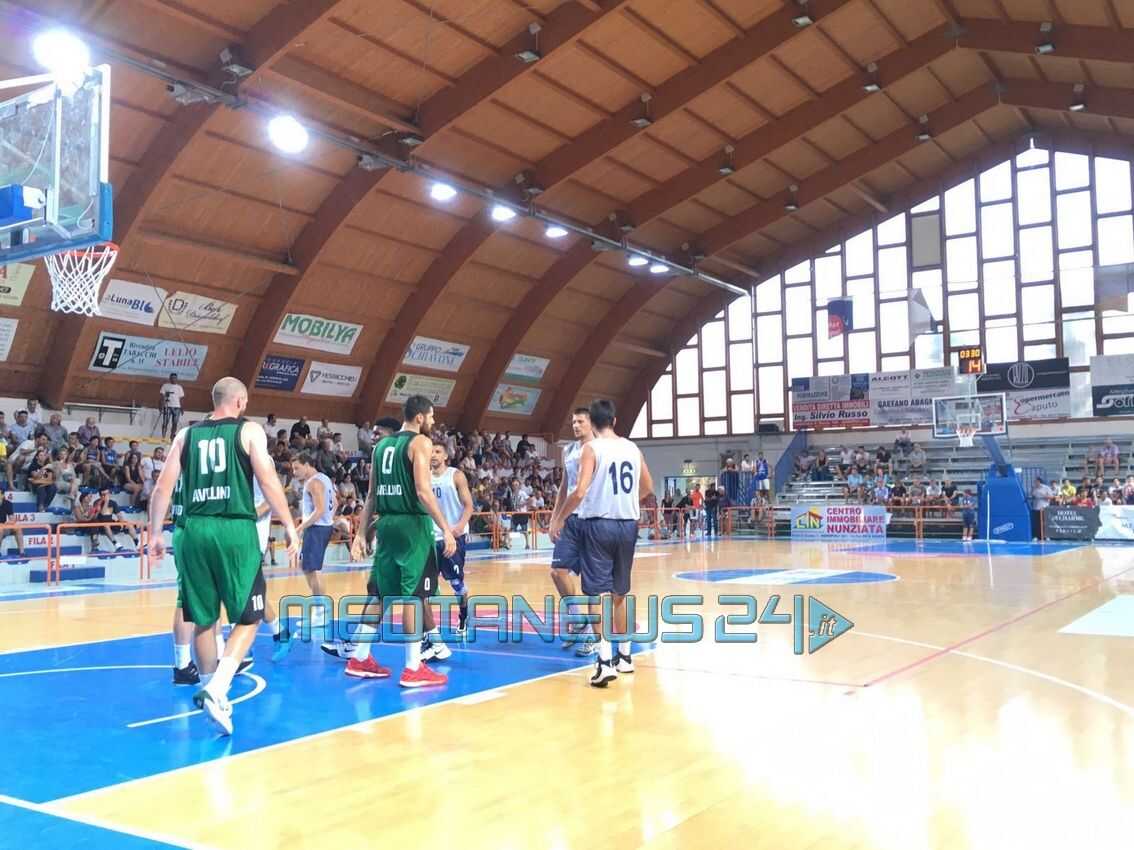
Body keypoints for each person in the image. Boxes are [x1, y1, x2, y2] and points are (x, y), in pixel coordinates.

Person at [148, 377, 300, 735]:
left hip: (191, 530)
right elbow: (268, 481)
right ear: (241, 401)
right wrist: (290, 526)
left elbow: (162, 488)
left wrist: (154, 532)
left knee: (203, 618)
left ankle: (209, 693)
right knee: (250, 616)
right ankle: (217, 689)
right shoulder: (249, 431)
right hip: (233, 529)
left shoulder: (186, 435)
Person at [344, 396, 456, 688]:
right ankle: (413, 667)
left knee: (381, 593)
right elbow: (422, 490)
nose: (433, 421)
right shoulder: (420, 442)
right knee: (414, 595)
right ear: (420, 417)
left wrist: (360, 534)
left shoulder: (381, 446)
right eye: (431, 416)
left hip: (386, 523)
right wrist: (446, 528)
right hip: (412, 526)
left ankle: (359, 657)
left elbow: (370, 495)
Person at [550, 399, 653, 688]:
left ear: (592, 423)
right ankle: (625, 656)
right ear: (615, 421)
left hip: (599, 524)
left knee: (597, 594)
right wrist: (625, 501)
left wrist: (560, 518)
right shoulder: (631, 447)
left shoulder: (591, 448)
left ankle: (605, 661)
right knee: (620, 592)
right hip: (628, 524)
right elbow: (648, 486)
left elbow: (580, 491)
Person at [420, 441, 474, 661]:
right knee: (424, 587)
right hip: (430, 537)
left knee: (456, 584)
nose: (433, 455)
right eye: (431, 452)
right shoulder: (423, 477)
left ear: (445, 456)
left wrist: (459, 527)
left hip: (453, 537)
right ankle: (428, 635)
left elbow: (469, 505)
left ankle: (463, 615)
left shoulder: (456, 476)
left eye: (438, 451)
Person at [549, 408, 597, 656]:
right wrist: (555, 517)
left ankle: (595, 636)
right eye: (573, 421)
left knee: (592, 583)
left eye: (580, 421)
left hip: (593, 518)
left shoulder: (599, 447)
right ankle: (578, 620)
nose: (576, 425)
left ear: (591, 423)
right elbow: (565, 486)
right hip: (570, 518)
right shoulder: (568, 450)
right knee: (557, 572)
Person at [290, 453, 337, 627]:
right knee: (308, 567)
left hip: (316, 529)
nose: (294, 472)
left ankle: (320, 613)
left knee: (313, 570)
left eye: (297, 468)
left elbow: (319, 510)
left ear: (307, 464)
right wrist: (329, 520)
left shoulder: (313, 482)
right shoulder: (324, 478)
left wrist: (300, 528)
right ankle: (321, 610)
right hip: (322, 527)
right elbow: (335, 503)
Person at [159, 373, 185, 440]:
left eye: (175, 378)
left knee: (175, 423)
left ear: (177, 379)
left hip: (177, 407)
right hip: (167, 406)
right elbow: (162, 397)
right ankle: (163, 437)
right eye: (172, 378)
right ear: (169, 378)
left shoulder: (179, 387)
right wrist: (161, 406)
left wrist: (182, 408)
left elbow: (181, 399)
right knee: (165, 422)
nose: (173, 379)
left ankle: (172, 436)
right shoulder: (165, 386)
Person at [0, 490, 24, 557]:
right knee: (0, 530)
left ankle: (22, 552)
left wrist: (8, 523)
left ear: (2, 495)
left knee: (18, 528)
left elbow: (12, 519)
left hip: (4, 526)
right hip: (1, 528)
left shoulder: (7, 503)